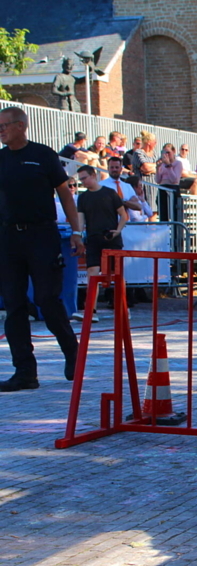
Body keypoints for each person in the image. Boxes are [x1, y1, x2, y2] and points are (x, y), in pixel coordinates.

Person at [0, 106, 83, 391]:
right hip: (10, 238)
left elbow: (66, 196)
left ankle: (73, 353)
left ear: (21, 126)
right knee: (14, 305)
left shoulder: (43, 155)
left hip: (41, 236)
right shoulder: (0, 159)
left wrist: (76, 232)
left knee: (48, 301)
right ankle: (25, 371)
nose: (1, 131)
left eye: (5, 126)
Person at [76, 165, 128, 318]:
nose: (83, 182)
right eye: (81, 179)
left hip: (112, 238)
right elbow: (80, 219)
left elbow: (123, 215)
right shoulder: (83, 197)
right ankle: (91, 310)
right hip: (93, 239)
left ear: (93, 175)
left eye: (84, 178)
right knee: (92, 272)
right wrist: (77, 234)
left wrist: (118, 230)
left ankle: (123, 308)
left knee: (117, 274)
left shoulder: (110, 193)